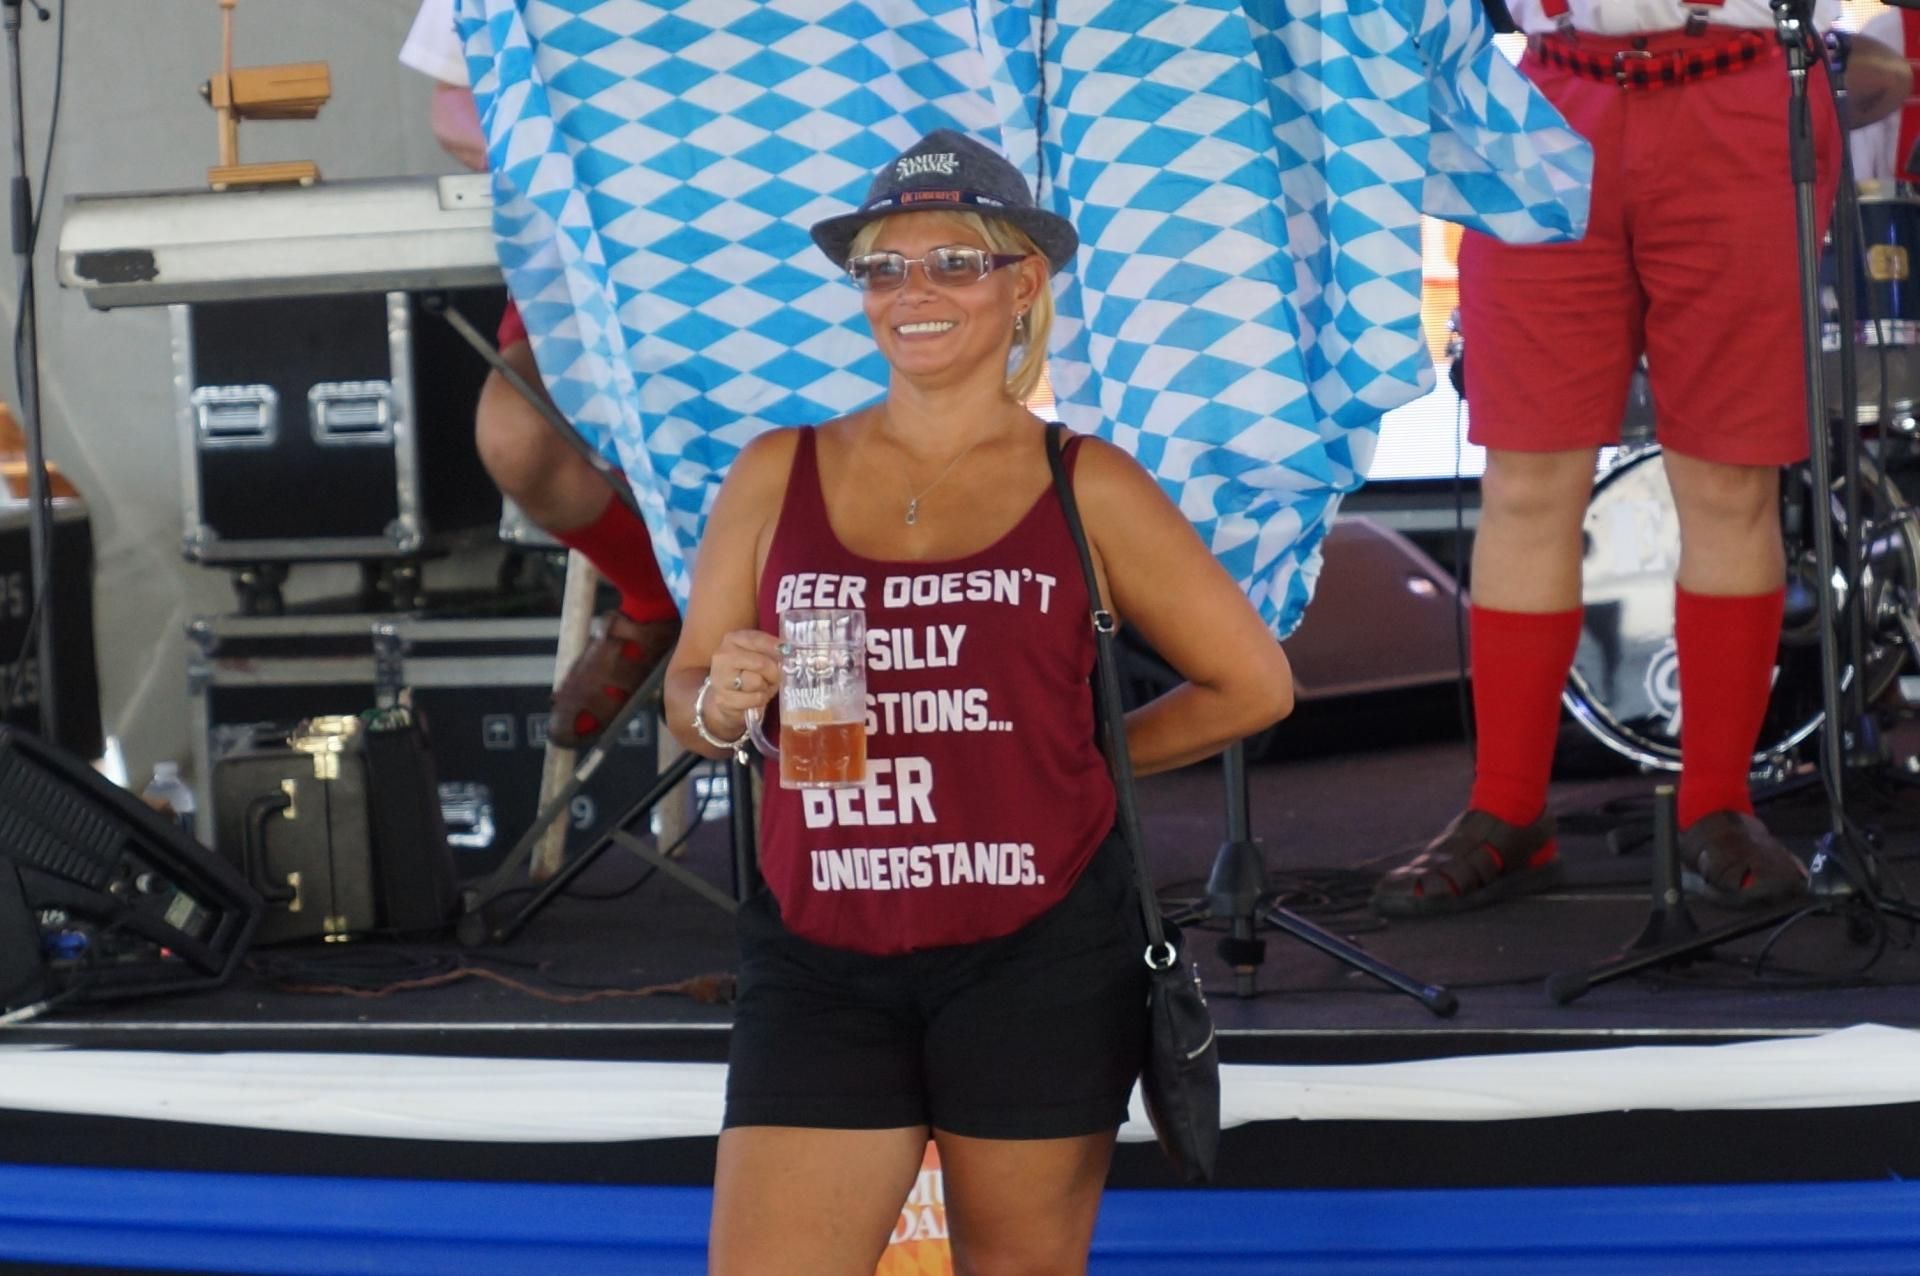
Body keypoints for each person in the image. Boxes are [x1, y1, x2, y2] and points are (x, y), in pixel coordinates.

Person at [665, 130, 1293, 1275]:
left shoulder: (1086, 480)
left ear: (1023, 284)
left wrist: (1074, 763)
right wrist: (723, 703)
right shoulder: (776, 469)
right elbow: (689, 688)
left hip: (1038, 952)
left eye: (954, 262)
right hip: (821, 944)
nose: (913, 292)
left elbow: (1252, 684)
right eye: (883, 268)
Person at [1371, 0, 1919, 919]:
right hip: (1549, 97)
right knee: (1526, 476)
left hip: (1741, 88)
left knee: (1730, 479)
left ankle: (1719, 803)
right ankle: (1508, 805)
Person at [401, 0, 680, 748]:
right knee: (516, 433)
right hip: (587, 260)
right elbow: (454, 103)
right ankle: (657, 598)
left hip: (771, 265)